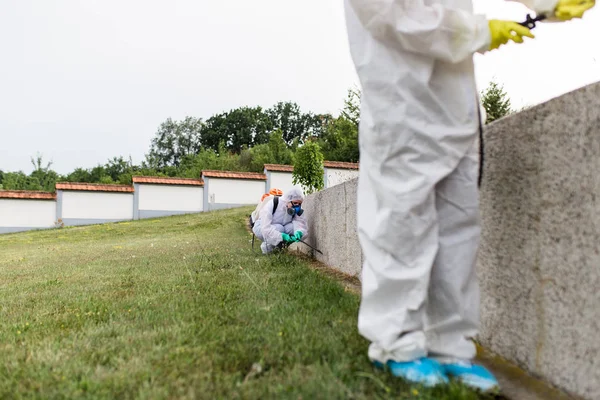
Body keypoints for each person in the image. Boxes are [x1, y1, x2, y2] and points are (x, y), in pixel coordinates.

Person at [343, 0, 595, 391]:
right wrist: (475, 31)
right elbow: (389, 16)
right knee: (401, 229)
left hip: (455, 107)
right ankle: (398, 344)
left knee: (459, 232)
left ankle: (451, 348)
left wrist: (547, 3)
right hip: (402, 102)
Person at [252, 187, 308, 254]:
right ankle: (267, 249)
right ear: (288, 200)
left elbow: (300, 223)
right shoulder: (273, 204)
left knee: (292, 228)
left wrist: (299, 232)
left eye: (299, 203)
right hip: (261, 227)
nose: (297, 206)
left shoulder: (295, 208)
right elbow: (265, 228)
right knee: (280, 228)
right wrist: (282, 236)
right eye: (295, 203)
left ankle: (281, 249)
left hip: (279, 227)